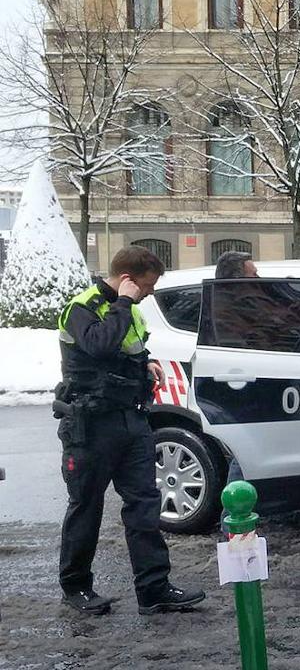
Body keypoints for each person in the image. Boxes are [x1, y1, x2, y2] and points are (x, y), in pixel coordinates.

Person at [56, 246, 206, 615]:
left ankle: (153, 589)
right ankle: (76, 587)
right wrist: (123, 302)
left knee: (144, 506)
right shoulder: (83, 307)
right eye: (146, 285)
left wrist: (146, 364)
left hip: (131, 420)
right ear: (127, 280)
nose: (149, 293)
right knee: (86, 507)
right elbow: (99, 346)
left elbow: (126, 351)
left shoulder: (131, 310)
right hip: (91, 425)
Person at [215, 250, 259, 536]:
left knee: (245, 458)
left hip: (247, 391)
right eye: (253, 274)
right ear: (237, 280)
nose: (259, 279)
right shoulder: (228, 312)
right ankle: (232, 528)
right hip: (238, 393)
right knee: (243, 457)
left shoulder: (241, 306)